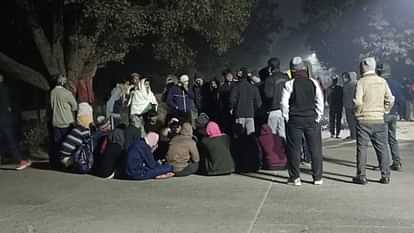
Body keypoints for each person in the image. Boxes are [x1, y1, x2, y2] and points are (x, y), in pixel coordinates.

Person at [281, 56, 324, 186]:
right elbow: (320, 101)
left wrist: (287, 117)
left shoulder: (289, 84)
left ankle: (295, 178)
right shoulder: (313, 82)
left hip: (295, 120)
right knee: (315, 149)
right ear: (304, 69)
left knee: (294, 149)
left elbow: (283, 103)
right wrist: (318, 116)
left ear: (292, 70)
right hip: (311, 119)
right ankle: (317, 177)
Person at [353, 57, 394, 185]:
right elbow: (390, 98)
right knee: (382, 148)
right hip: (379, 119)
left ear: (364, 67)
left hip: (364, 120)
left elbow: (358, 102)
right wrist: (385, 110)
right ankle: (385, 175)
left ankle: (361, 176)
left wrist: (357, 113)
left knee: (362, 148)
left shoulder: (361, 82)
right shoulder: (382, 81)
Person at [0, 73, 32, 170]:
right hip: (6, 119)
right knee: (9, 140)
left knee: (10, 141)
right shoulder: (5, 89)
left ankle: (21, 160)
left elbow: (5, 105)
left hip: (3, 120)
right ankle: (22, 159)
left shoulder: (2, 89)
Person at [377, 63, 402, 171]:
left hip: (383, 113)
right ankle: (397, 162)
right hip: (394, 114)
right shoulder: (396, 83)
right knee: (392, 139)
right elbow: (400, 98)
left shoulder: (379, 83)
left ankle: (384, 164)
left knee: (382, 140)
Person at [50, 74, 78, 169]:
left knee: (57, 144)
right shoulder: (67, 93)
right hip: (66, 122)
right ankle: (67, 163)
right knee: (68, 144)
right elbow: (75, 106)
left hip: (56, 122)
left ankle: (57, 163)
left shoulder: (52, 92)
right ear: (62, 82)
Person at [230, 68, 262, 136]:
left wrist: (232, 107)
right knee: (251, 137)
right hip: (250, 114)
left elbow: (232, 100)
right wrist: (254, 110)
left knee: (238, 136)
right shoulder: (254, 88)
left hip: (239, 114)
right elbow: (258, 103)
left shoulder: (236, 87)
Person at [263, 58, 289, 139]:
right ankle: (284, 150)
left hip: (274, 110)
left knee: (272, 135)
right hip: (286, 109)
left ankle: (275, 151)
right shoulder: (286, 77)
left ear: (270, 67)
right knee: (283, 134)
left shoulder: (269, 79)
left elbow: (268, 95)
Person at [342, 72, 358, 140]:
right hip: (352, 105)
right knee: (352, 122)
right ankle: (353, 135)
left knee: (352, 122)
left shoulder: (356, 84)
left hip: (351, 106)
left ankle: (354, 135)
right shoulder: (357, 83)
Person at [218, 69, 234, 134]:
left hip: (234, 109)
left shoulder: (236, 85)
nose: (229, 77)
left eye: (230, 75)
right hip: (225, 110)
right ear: (224, 77)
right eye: (227, 76)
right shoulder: (222, 87)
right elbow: (220, 100)